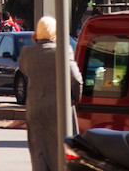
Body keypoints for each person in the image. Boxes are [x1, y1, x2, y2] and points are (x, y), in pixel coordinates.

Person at [17, 15, 82, 171]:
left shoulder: (26, 53)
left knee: (39, 150)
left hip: (35, 109)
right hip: (59, 108)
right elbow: (76, 80)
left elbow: (24, 70)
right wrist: (75, 98)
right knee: (63, 150)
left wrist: (36, 43)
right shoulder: (63, 51)